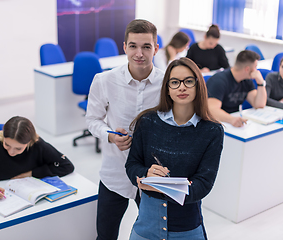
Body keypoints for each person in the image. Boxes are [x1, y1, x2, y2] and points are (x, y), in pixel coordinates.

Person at [125, 58, 224, 240]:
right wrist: (145, 173)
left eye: (188, 81)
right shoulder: (147, 122)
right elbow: (132, 165)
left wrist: (160, 187)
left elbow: (204, 184)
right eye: (175, 82)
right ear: (167, 89)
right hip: (147, 224)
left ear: (198, 85)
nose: (182, 87)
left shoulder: (212, 131)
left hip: (187, 227)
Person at [86, 19, 164, 240]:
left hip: (151, 175)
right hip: (115, 173)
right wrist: (109, 135)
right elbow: (92, 120)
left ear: (156, 48)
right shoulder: (104, 80)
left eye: (146, 47)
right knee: (106, 236)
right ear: (124, 47)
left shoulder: (167, 82)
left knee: (154, 235)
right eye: (133, 46)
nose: (139, 53)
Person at [0, 116, 74, 199]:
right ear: (3, 137)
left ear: (29, 142)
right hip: (0, 195)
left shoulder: (38, 145)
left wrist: (32, 173)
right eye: (7, 145)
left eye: (18, 148)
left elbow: (66, 166)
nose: (11, 152)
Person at [206, 50, 267, 127]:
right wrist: (231, 119)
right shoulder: (218, 81)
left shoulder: (246, 80)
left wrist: (261, 83)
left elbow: (259, 105)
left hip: (232, 122)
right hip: (217, 123)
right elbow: (212, 110)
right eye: (255, 67)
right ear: (247, 69)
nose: (256, 70)